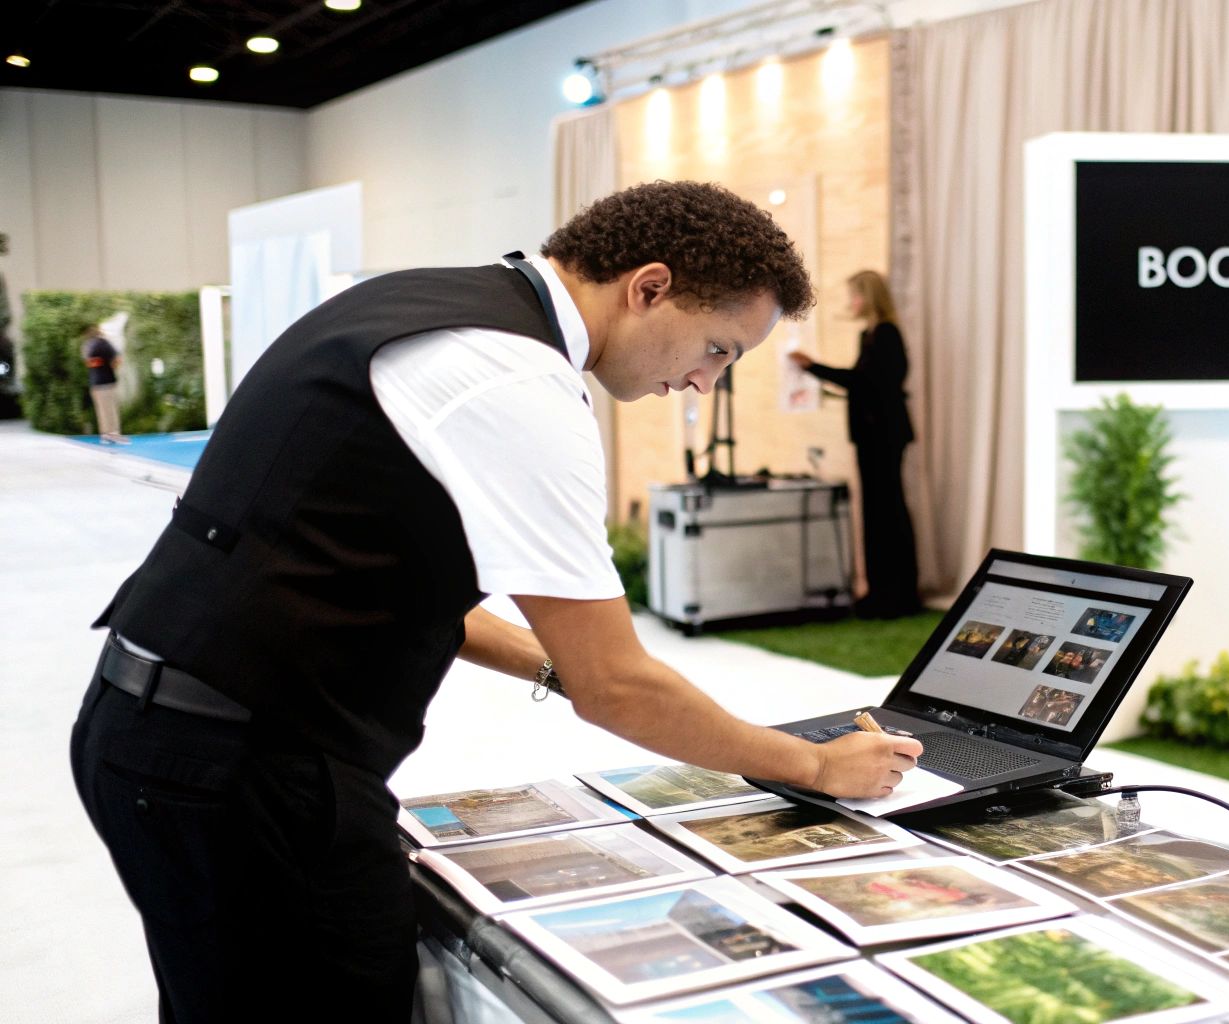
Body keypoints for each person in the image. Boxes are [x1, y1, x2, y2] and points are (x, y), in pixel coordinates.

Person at [68, 181, 922, 1022]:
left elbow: (385, 575)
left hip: (159, 730)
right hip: (242, 764)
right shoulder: (514, 382)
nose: (704, 382)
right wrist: (809, 764)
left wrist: (554, 663)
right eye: (718, 349)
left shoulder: (437, 306)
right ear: (650, 288)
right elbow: (617, 686)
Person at [788, 270, 921, 618]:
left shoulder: (886, 334)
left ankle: (896, 596)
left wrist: (813, 367)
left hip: (884, 437)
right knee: (878, 514)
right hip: (874, 436)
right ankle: (881, 592)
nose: (852, 303)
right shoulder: (871, 335)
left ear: (870, 297)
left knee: (887, 514)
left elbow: (867, 383)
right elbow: (866, 384)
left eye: (856, 295)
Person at [79, 323, 128, 444]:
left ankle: (105, 435)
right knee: (111, 409)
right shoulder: (104, 343)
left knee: (101, 410)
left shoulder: (87, 346)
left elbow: (87, 362)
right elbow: (117, 359)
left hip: (95, 382)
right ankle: (114, 434)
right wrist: (112, 368)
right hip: (107, 381)